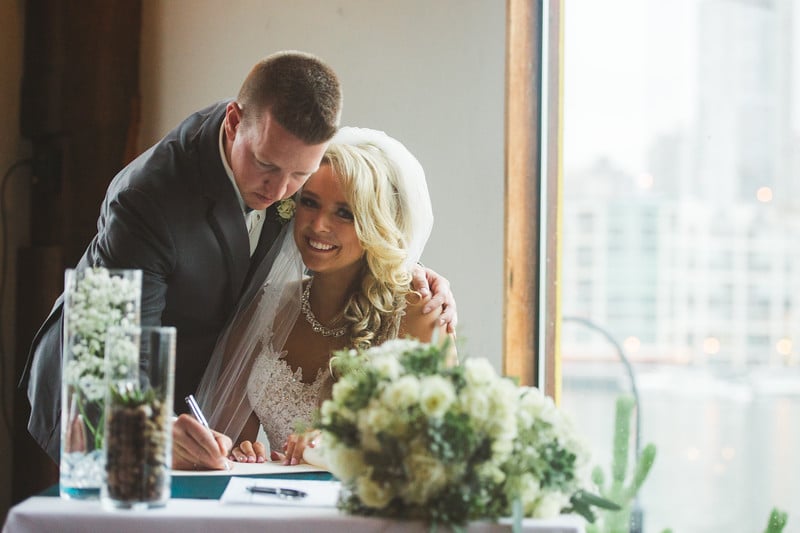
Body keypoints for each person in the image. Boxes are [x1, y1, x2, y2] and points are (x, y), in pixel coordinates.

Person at [20, 51, 457, 467]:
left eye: (298, 178)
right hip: (102, 376)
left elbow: (347, 224)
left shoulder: (288, 155)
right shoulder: (147, 201)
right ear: (234, 123)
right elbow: (120, 340)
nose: (279, 191)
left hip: (198, 381)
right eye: (266, 165)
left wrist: (410, 273)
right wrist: (151, 426)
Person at [189, 127, 454, 468]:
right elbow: (226, 439)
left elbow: (443, 449)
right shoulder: (268, 306)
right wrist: (242, 451)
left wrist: (346, 446)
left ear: (375, 224)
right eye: (310, 203)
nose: (318, 225)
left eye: (344, 213)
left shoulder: (420, 311)